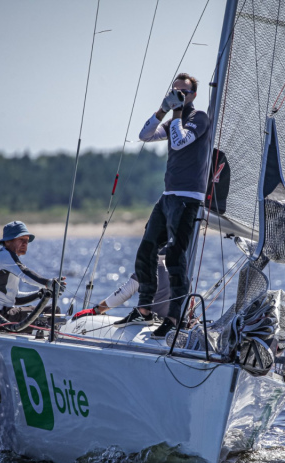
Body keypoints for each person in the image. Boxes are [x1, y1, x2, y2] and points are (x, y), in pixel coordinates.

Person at [117, 72, 211, 338]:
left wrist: (178, 110)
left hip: (188, 198)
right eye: (174, 91)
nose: (178, 95)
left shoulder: (199, 118)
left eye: (183, 92)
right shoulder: (173, 121)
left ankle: (173, 317)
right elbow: (144, 135)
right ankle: (144, 309)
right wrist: (163, 109)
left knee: (175, 258)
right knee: (146, 249)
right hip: (168, 196)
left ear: (193, 95)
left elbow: (180, 143)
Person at [0, 221, 65, 328]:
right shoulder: (5, 256)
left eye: (27, 240)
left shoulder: (5, 258)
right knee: (53, 311)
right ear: (7, 242)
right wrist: (48, 283)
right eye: (21, 239)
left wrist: (40, 294)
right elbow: (24, 273)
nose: (25, 243)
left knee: (49, 312)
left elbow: (14, 298)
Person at [73, 249, 170, 320]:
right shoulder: (178, 264)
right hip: (175, 325)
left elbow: (125, 292)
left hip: (152, 323)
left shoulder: (151, 265)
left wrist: (96, 310)